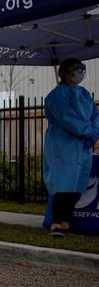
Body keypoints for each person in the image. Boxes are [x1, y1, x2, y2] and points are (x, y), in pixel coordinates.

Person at [44, 58, 99, 237]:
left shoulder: (84, 93)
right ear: (65, 72)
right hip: (63, 145)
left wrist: (94, 133)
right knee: (63, 184)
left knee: (77, 184)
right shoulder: (57, 95)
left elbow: (94, 115)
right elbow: (66, 117)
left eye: (82, 69)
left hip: (82, 147)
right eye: (76, 69)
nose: (80, 73)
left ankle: (66, 221)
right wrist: (87, 131)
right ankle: (56, 222)